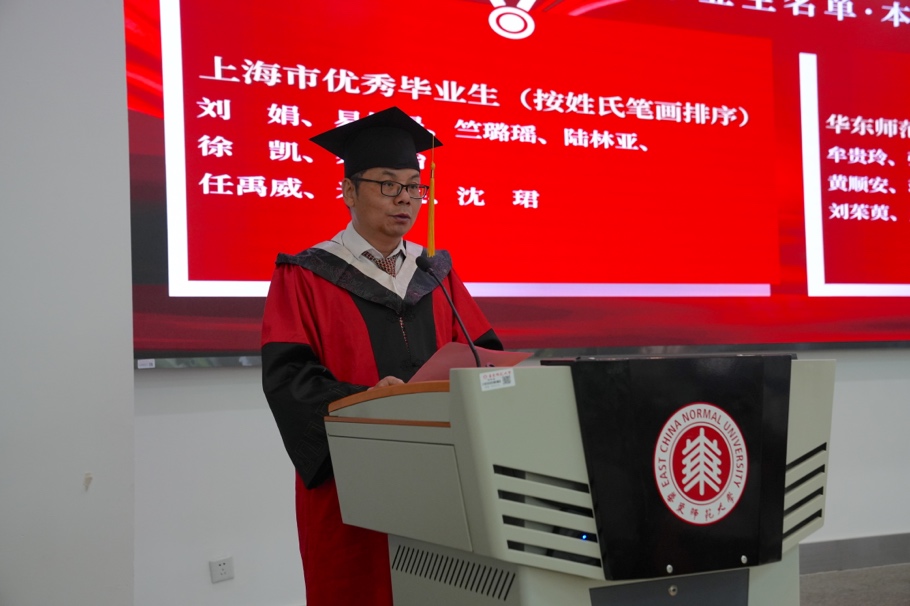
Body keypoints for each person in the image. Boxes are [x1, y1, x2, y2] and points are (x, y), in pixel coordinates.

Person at [260, 106, 503, 605]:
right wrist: (367, 402)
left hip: (441, 477)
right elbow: (289, 380)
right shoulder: (305, 275)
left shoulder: (435, 273)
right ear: (349, 192)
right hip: (353, 482)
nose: (405, 198)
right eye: (388, 184)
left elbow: (485, 357)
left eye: (414, 186)